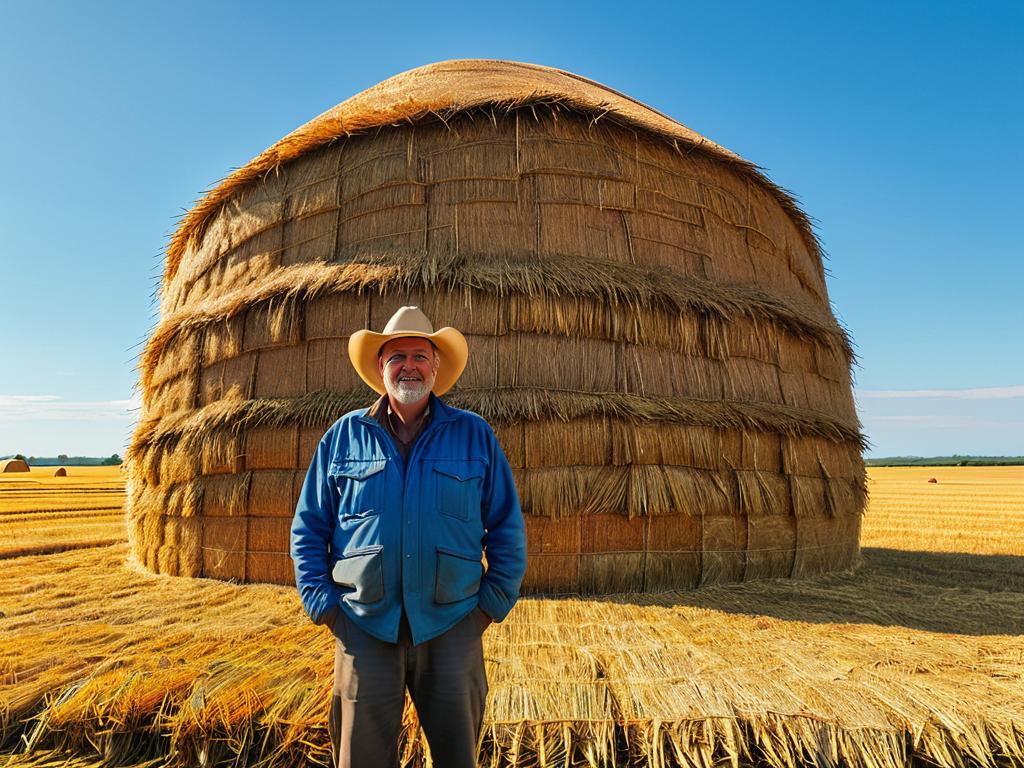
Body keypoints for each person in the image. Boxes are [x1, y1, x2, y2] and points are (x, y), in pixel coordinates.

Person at [290, 305, 527, 768]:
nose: (409, 366)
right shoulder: (343, 438)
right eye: (396, 357)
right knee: (361, 760)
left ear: (437, 366)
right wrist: (326, 609)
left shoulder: (474, 436)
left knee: (458, 758)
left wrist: (487, 609)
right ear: (380, 368)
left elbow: (506, 529)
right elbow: (309, 527)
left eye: (420, 355)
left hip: (453, 626)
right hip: (363, 627)